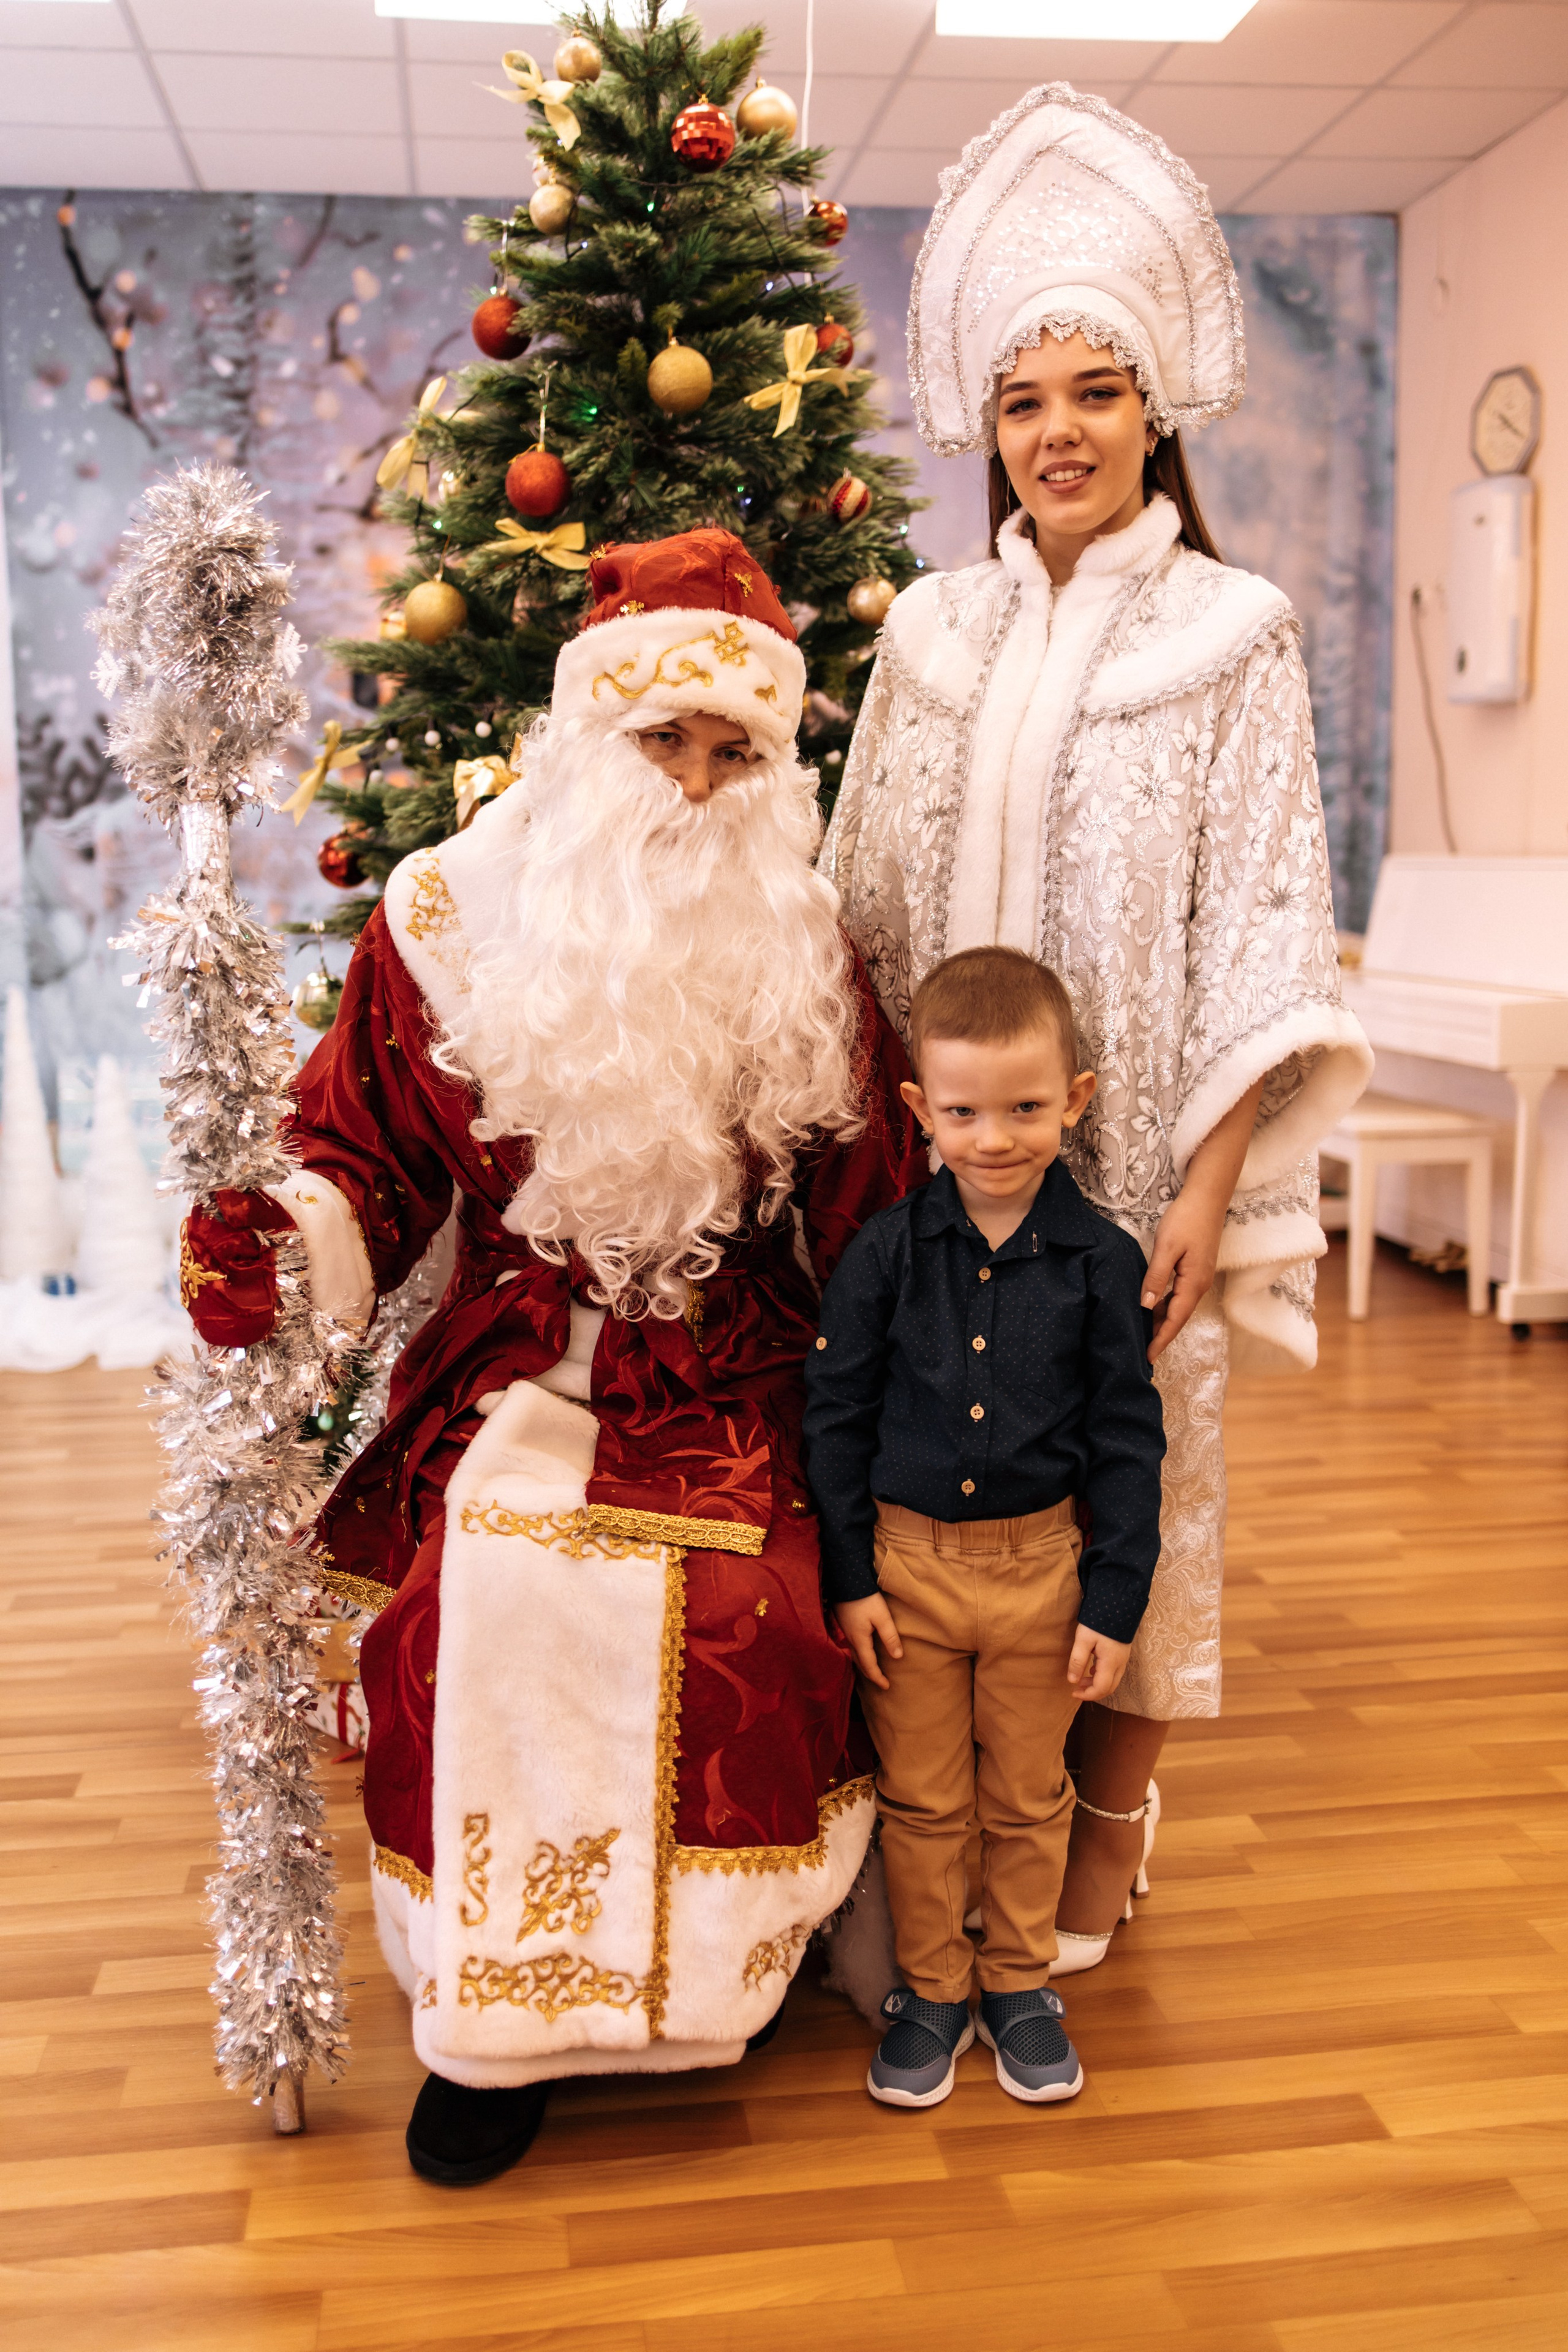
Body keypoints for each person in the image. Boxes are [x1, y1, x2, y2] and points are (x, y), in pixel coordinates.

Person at [181, 529, 927, 2184]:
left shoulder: (806, 951)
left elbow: (880, 1213)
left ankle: (728, 1978)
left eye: (737, 750)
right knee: (475, 1607)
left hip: (738, 1370)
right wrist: (276, 1233)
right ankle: (490, 2034)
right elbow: (356, 1153)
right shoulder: (444, 919)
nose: (695, 781)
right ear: (591, 734)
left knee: (760, 1610)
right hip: (519, 1361)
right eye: (664, 737)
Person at [823, 85, 1371, 1971]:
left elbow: (1266, 928)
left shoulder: (1235, 636)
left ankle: (1109, 1816)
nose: (1058, 434)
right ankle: (924, 1833)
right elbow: (864, 903)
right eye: (1024, 400)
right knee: (931, 1511)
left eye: (1096, 393)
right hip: (933, 1181)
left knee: (1135, 1510)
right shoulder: (930, 636)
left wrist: (1207, 1189)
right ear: (989, 423)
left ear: (1156, 413)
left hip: (1127, 1186)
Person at [803, 947, 1165, 2106]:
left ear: (1077, 1100)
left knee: (1026, 1793)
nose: (995, 1138)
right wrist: (851, 1579)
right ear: (920, 1111)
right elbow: (837, 1420)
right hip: (905, 1575)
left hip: (1042, 1574)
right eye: (963, 1111)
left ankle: (1018, 1984)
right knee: (923, 1799)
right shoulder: (884, 1260)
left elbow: (1126, 1440)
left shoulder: (1104, 1265)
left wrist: (1113, 1602)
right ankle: (931, 1990)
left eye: (1025, 1108)